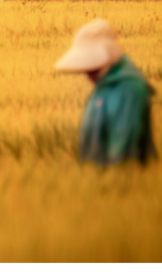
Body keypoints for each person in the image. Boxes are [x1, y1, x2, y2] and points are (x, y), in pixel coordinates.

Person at [54, 18, 155, 166]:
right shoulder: (104, 85)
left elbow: (122, 154)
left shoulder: (129, 90)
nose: (85, 72)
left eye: (90, 64)